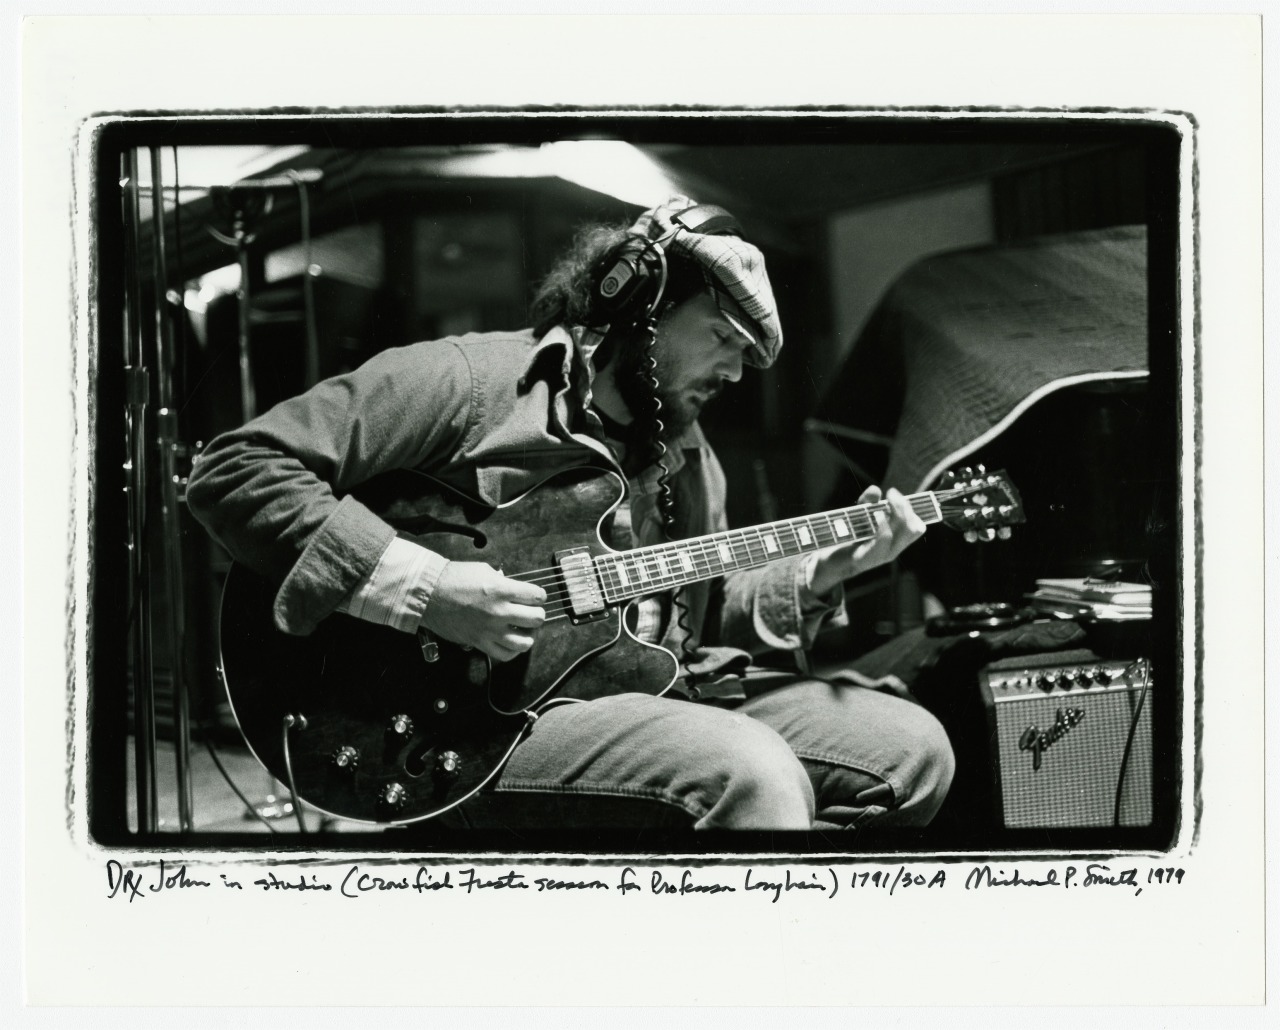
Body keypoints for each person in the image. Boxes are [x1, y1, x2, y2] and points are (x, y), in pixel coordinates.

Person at [187, 196, 954, 831]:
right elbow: (235, 470)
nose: (733, 372)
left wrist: (831, 569)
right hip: (464, 719)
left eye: (745, 357)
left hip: (648, 692)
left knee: (911, 749)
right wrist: (428, 591)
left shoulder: (686, 453)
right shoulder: (469, 382)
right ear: (642, 305)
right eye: (722, 338)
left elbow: (702, 618)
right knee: (751, 770)